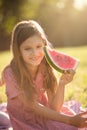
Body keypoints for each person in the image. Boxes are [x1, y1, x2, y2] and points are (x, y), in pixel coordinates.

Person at [0, 20, 87, 130]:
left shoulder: (44, 68)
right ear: (18, 50)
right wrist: (70, 120)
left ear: (45, 46)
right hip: (25, 122)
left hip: (46, 115)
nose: (35, 53)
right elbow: (33, 106)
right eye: (27, 48)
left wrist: (62, 84)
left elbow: (55, 108)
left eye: (38, 46)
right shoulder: (11, 73)